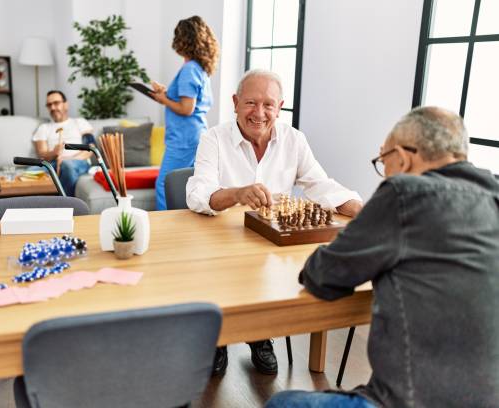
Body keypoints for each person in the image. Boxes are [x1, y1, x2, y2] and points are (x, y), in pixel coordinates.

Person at [266, 107, 499, 408]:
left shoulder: (404, 193)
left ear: (402, 158)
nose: (384, 171)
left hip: (409, 402)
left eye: (382, 161)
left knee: (281, 403)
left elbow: (321, 276)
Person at [186, 69, 363, 376]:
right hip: (221, 241)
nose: (259, 113)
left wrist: (360, 209)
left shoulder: (294, 140)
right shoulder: (213, 138)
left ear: (280, 106)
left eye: (268, 104)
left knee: (277, 269)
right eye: (251, 103)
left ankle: (260, 335)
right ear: (235, 102)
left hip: (270, 241)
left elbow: (320, 185)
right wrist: (238, 194)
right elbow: (198, 193)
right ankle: (218, 338)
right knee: (222, 270)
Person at [151, 15, 220, 210]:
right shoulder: (199, 69)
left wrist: (163, 98)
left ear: (184, 39)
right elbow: (189, 102)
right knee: (185, 185)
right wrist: (166, 93)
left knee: (164, 185)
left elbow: (187, 108)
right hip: (193, 134)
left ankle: (165, 231)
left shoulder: (189, 69)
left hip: (183, 138)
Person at [32, 90, 94, 196]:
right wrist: (54, 153)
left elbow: (90, 148)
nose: (52, 108)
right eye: (49, 105)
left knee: (67, 166)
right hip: (52, 163)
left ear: (66, 104)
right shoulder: (44, 128)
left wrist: (67, 159)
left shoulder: (80, 122)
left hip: (78, 161)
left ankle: (67, 205)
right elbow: (41, 154)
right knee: (30, 172)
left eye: (56, 103)